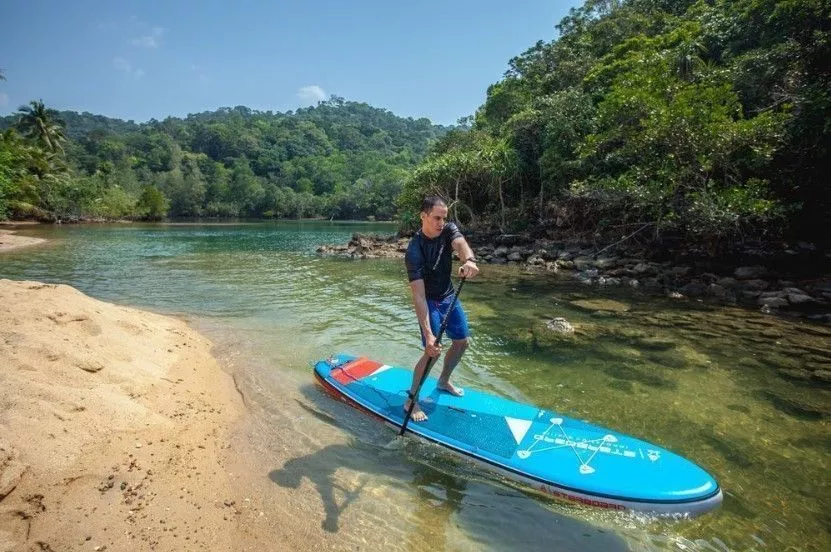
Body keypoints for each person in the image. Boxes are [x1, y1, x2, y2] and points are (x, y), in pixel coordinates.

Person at [404, 196, 479, 422]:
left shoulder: (448, 229)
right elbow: (418, 296)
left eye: (444, 218)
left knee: (462, 341)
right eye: (436, 218)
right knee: (432, 350)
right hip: (428, 301)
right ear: (423, 216)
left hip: (448, 296)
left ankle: (443, 381)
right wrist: (428, 335)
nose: (441, 222)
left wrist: (469, 260)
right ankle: (411, 399)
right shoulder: (414, 250)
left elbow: (460, 243)